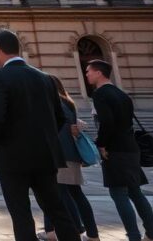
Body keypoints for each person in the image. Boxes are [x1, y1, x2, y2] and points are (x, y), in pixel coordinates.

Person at [0, 29, 78, 241]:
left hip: (12, 156)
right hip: (45, 155)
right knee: (57, 210)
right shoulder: (45, 78)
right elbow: (60, 117)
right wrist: (44, 138)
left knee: (21, 214)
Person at [86, 59, 153, 241]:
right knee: (136, 193)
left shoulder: (101, 94)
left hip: (115, 150)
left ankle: (133, 236)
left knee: (119, 194)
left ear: (99, 73)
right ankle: (152, 234)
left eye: (88, 71)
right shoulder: (122, 94)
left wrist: (101, 144)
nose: (86, 74)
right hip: (131, 149)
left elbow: (107, 122)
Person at [38, 75, 99, 241]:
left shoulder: (56, 102)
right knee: (70, 193)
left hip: (62, 156)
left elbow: (59, 131)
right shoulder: (67, 102)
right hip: (68, 154)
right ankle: (85, 232)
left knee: (61, 194)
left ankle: (76, 230)